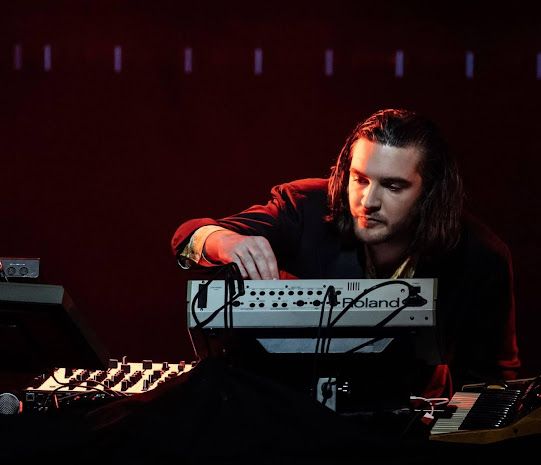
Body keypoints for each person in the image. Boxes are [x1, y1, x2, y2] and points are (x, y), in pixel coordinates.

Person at [171, 109, 519, 399]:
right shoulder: (305, 206)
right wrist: (223, 241)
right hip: (292, 423)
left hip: (405, 438)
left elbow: (489, 378)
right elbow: (190, 234)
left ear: (429, 193)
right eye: (360, 179)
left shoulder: (480, 255)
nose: (368, 201)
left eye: (393, 186)